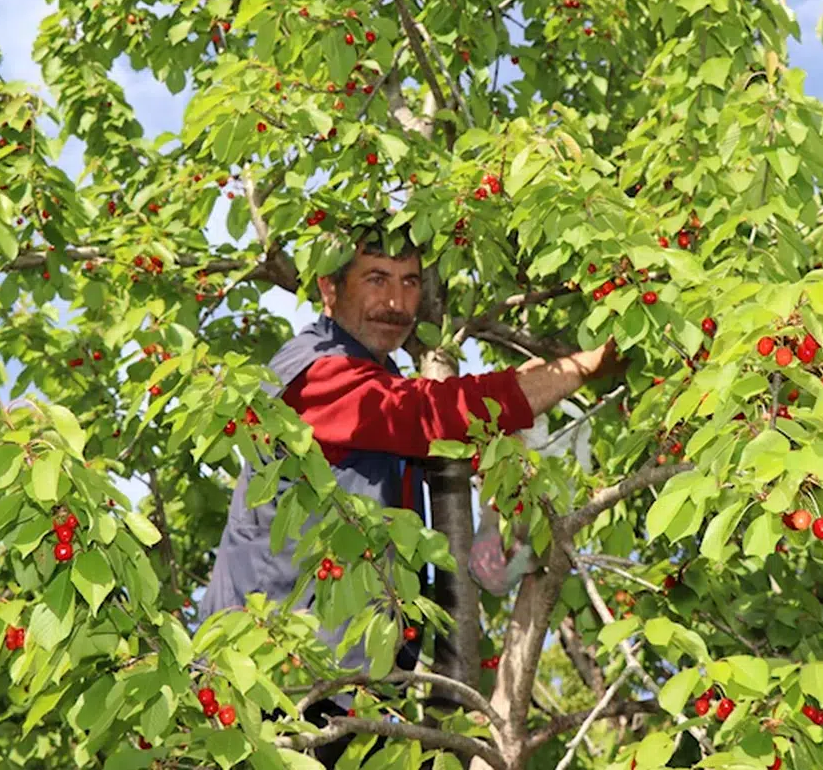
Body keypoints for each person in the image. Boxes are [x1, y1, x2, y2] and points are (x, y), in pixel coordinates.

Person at [200, 226, 626, 763]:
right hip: (276, 682)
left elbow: (439, 431)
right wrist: (579, 367)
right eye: (376, 280)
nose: (396, 302)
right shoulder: (315, 373)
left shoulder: (379, 376)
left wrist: (511, 462)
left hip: (354, 680)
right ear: (329, 290)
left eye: (410, 283)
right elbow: (427, 415)